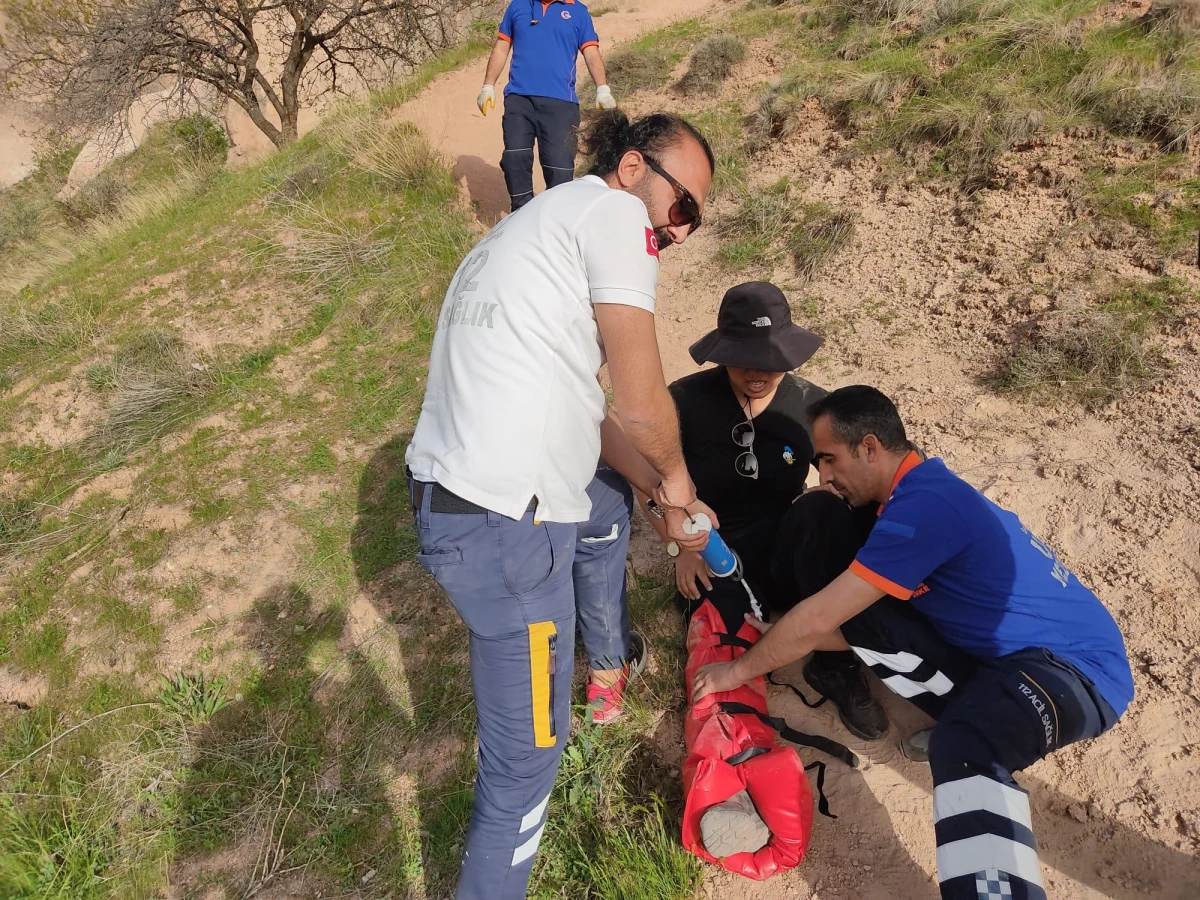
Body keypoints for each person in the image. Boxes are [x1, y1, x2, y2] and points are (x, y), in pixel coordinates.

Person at [406, 109, 715, 900]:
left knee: (528, 739)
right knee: (526, 767)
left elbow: (591, 411)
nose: (682, 233)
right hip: (508, 530)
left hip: (457, 508)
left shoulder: (534, 223)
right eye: (684, 207)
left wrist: (646, 483)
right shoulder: (615, 215)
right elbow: (642, 400)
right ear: (636, 168)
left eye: (695, 222)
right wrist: (679, 492)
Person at [692, 386, 1134, 900]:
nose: (823, 476)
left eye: (829, 460)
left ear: (871, 447)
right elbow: (848, 623)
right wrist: (785, 633)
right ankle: (971, 707)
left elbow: (821, 620)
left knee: (966, 748)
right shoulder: (904, 499)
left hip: (1077, 674)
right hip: (1006, 655)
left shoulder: (923, 510)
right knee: (860, 594)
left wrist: (736, 671)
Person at [635, 281, 888, 742]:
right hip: (713, 548)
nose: (757, 372)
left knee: (823, 510)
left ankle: (835, 665)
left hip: (788, 542)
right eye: (744, 358)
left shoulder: (812, 407)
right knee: (720, 647)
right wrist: (679, 549)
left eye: (770, 361)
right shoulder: (686, 402)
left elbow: (856, 480)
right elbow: (649, 481)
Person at [477, 0, 617, 212]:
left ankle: (556, 222)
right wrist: (488, 85)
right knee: (515, 158)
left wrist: (602, 88)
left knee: (559, 170)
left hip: (561, 104)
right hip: (519, 99)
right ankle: (521, 214)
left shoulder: (577, 12)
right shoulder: (518, 6)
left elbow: (591, 53)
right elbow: (501, 48)